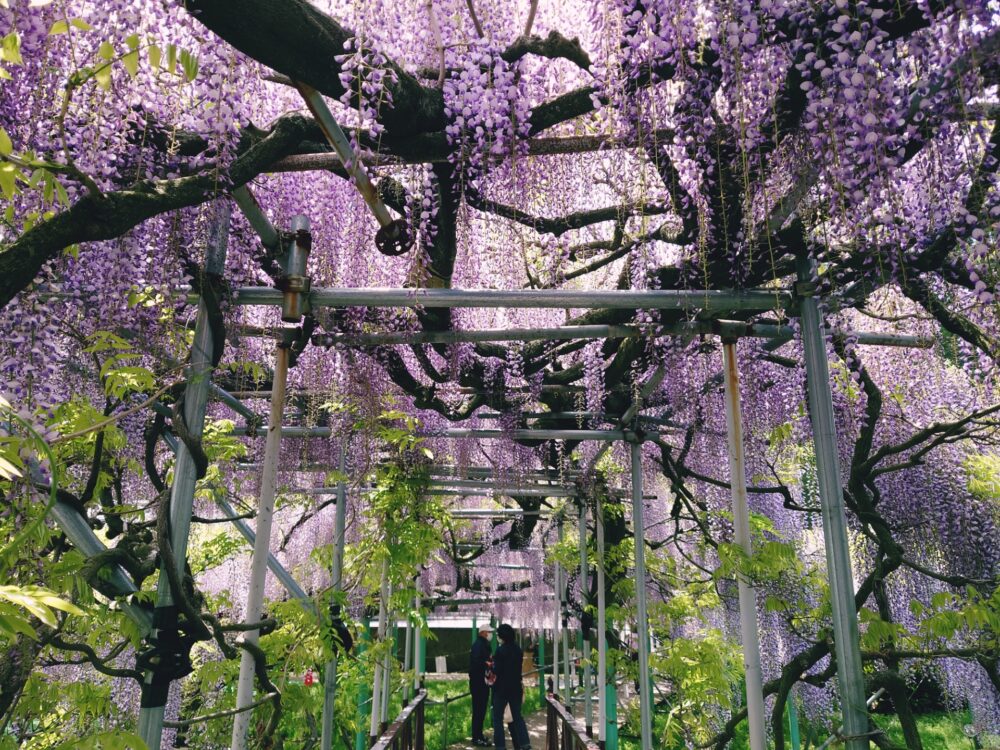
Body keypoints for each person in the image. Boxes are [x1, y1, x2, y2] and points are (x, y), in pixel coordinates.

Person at [491, 623, 531, 750]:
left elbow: (497, 670)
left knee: (497, 719)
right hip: (515, 688)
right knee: (518, 717)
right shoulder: (518, 650)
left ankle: (500, 746)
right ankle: (525, 744)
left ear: (502, 636)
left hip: (501, 689)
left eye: (498, 635)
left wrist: (491, 665)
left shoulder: (500, 650)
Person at [469, 623, 494, 747]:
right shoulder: (479, 645)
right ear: (483, 632)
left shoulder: (483, 644)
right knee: (478, 710)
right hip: (478, 683)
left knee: (481, 710)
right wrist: (487, 664)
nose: (491, 634)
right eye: (489, 632)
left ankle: (479, 735)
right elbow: (476, 663)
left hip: (482, 683)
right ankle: (476, 737)